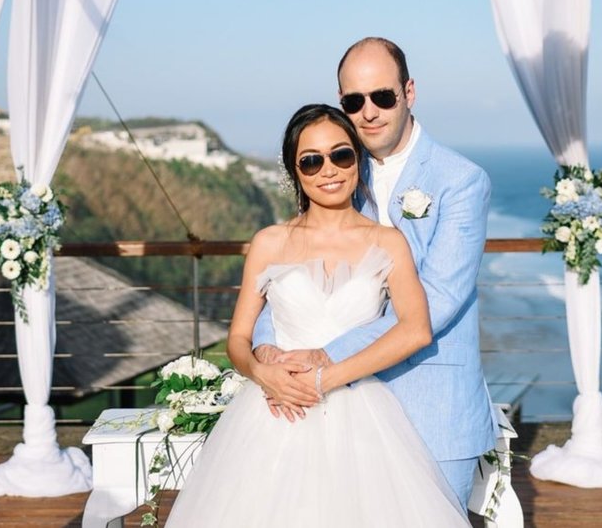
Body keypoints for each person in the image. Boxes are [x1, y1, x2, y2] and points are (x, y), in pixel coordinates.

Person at [164, 104, 471, 527]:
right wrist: (260, 371)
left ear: (357, 159)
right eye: (311, 161)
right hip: (274, 411)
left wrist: (329, 377)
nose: (328, 170)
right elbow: (237, 339)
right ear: (296, 172)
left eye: (340, 155)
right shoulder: (270, 242)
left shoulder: (388, 242)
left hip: (360, 413)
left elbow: (416, 330)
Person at [251, 37, 497, 509]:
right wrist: (270, 349)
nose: (369, 112)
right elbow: (289, 268)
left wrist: (323, 358)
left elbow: (438, 301)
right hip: (337, 413)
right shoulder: (336, 167)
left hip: (430, 402)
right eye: (353, 101)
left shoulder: (461, 180)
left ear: (409, 92)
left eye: (383, 96)